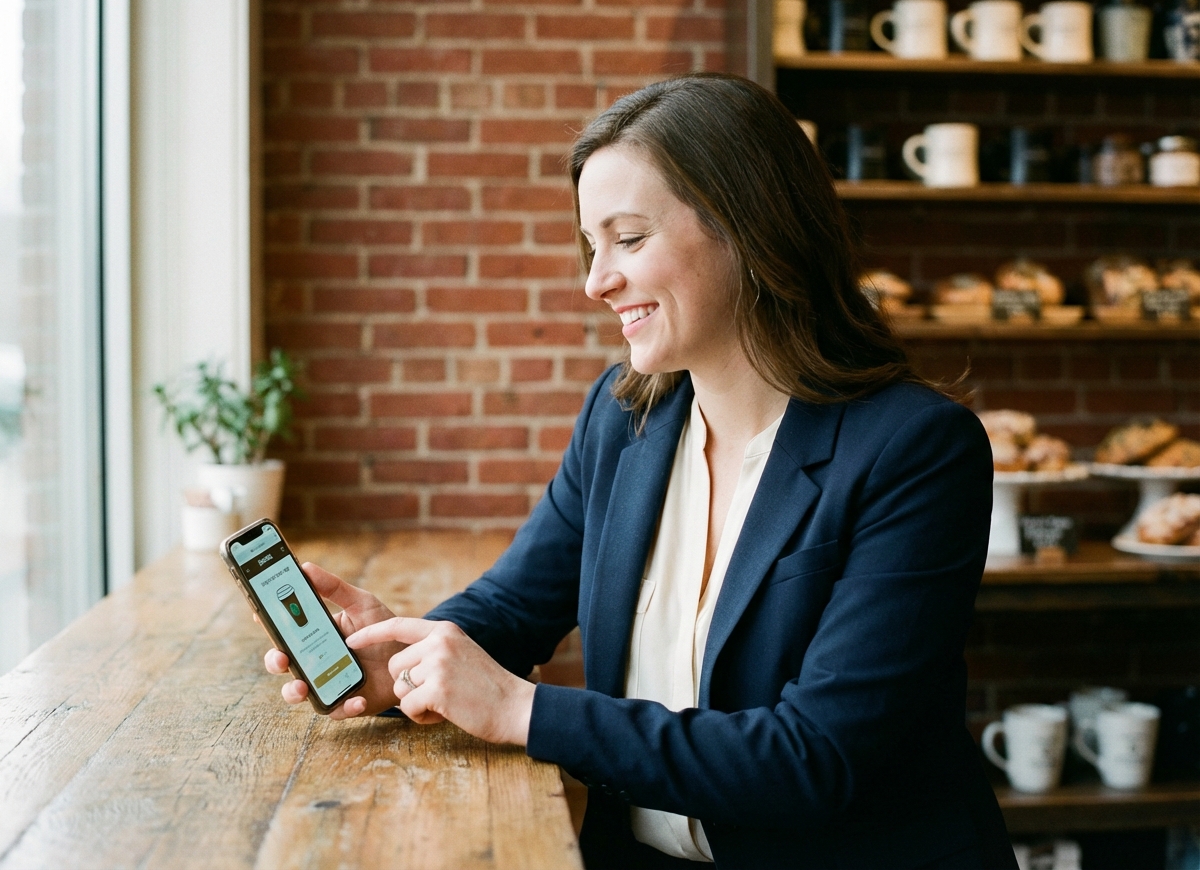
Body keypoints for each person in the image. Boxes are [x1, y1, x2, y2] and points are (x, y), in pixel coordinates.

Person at [264, 73, 1017, 869]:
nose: (596, 282)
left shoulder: (917, 450)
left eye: (627, 239)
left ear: (749, 226)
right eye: (592, 246)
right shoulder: (624, 416)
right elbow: (514, 606)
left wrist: (523, 710)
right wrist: (404, 660)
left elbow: (815, 757)